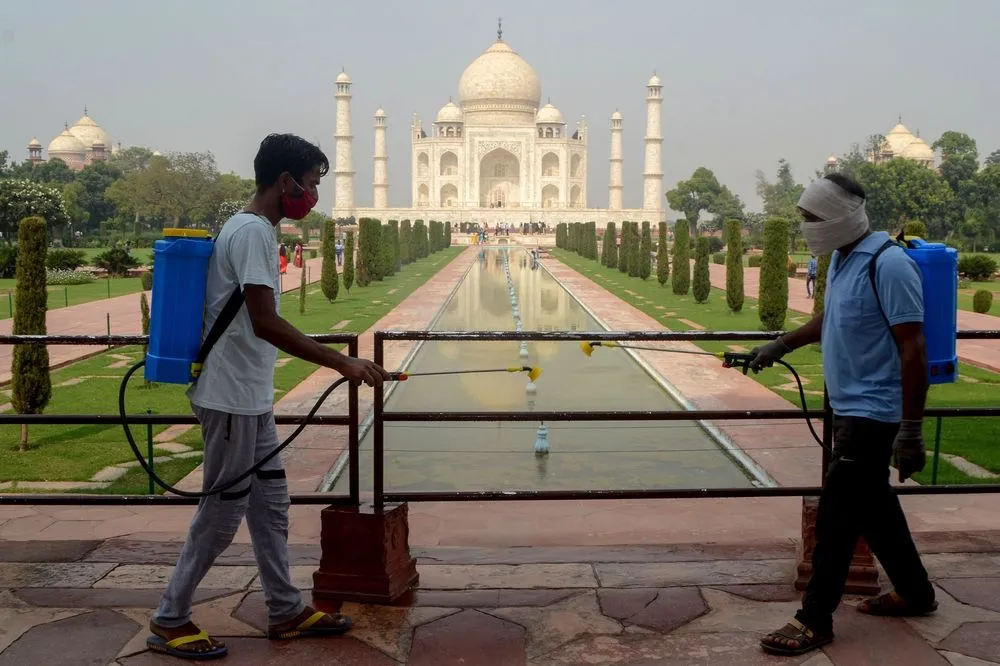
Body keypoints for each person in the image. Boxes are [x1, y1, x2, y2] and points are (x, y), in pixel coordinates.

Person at [147, 134, 390, 660]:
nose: (312, 195)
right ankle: (170, 617)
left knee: (271, 502)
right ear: (285, 182)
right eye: (310, 184)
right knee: (221, 510)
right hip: (230, 397)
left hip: (246, 396)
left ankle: (284, 606)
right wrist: (341, 361)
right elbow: (265, 323)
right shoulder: (254, 232)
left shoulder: (246, 227)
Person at [754, 173, 936, 657]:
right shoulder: (843, 259)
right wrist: (781, 344)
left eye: (813, 218)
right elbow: (831, 317)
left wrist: (912, 430)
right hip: (847, 406)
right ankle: (917, 593)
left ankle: (814, 618)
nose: (807, 227)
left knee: (836, 516)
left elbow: (913, 347)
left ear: (842, 215)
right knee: (873, 508)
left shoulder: (889, 264)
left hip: (874, 412)